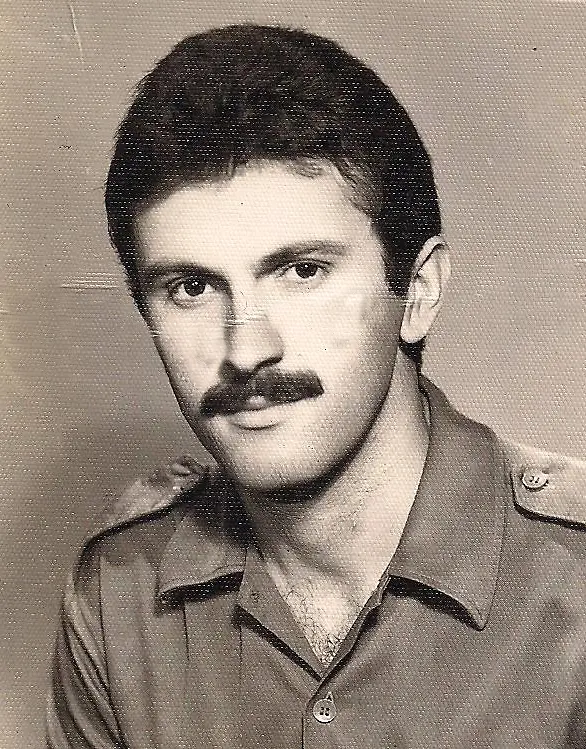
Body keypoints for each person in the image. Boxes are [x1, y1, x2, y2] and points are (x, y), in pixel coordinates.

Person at [46, 24, 586, 749]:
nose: (247, 349)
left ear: (418, 292)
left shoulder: (573, 580)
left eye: (302, 271)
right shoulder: (120, 595)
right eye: (191, 287)